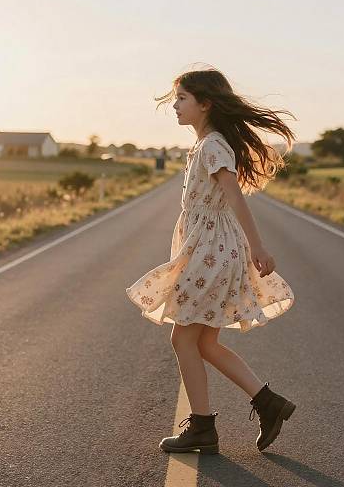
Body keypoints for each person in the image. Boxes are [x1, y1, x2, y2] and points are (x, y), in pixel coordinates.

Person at [125, 67, 297, 454]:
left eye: (182, 98)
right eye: (175, 99)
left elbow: (234, 196)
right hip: (211, 247)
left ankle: (202, 427)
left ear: (206, 103)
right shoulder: (205, 144)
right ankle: (268, 404)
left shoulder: (213, 146)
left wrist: (258, 247)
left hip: (213, 251)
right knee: (203, 342)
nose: (175, 106)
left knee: (183, 337)